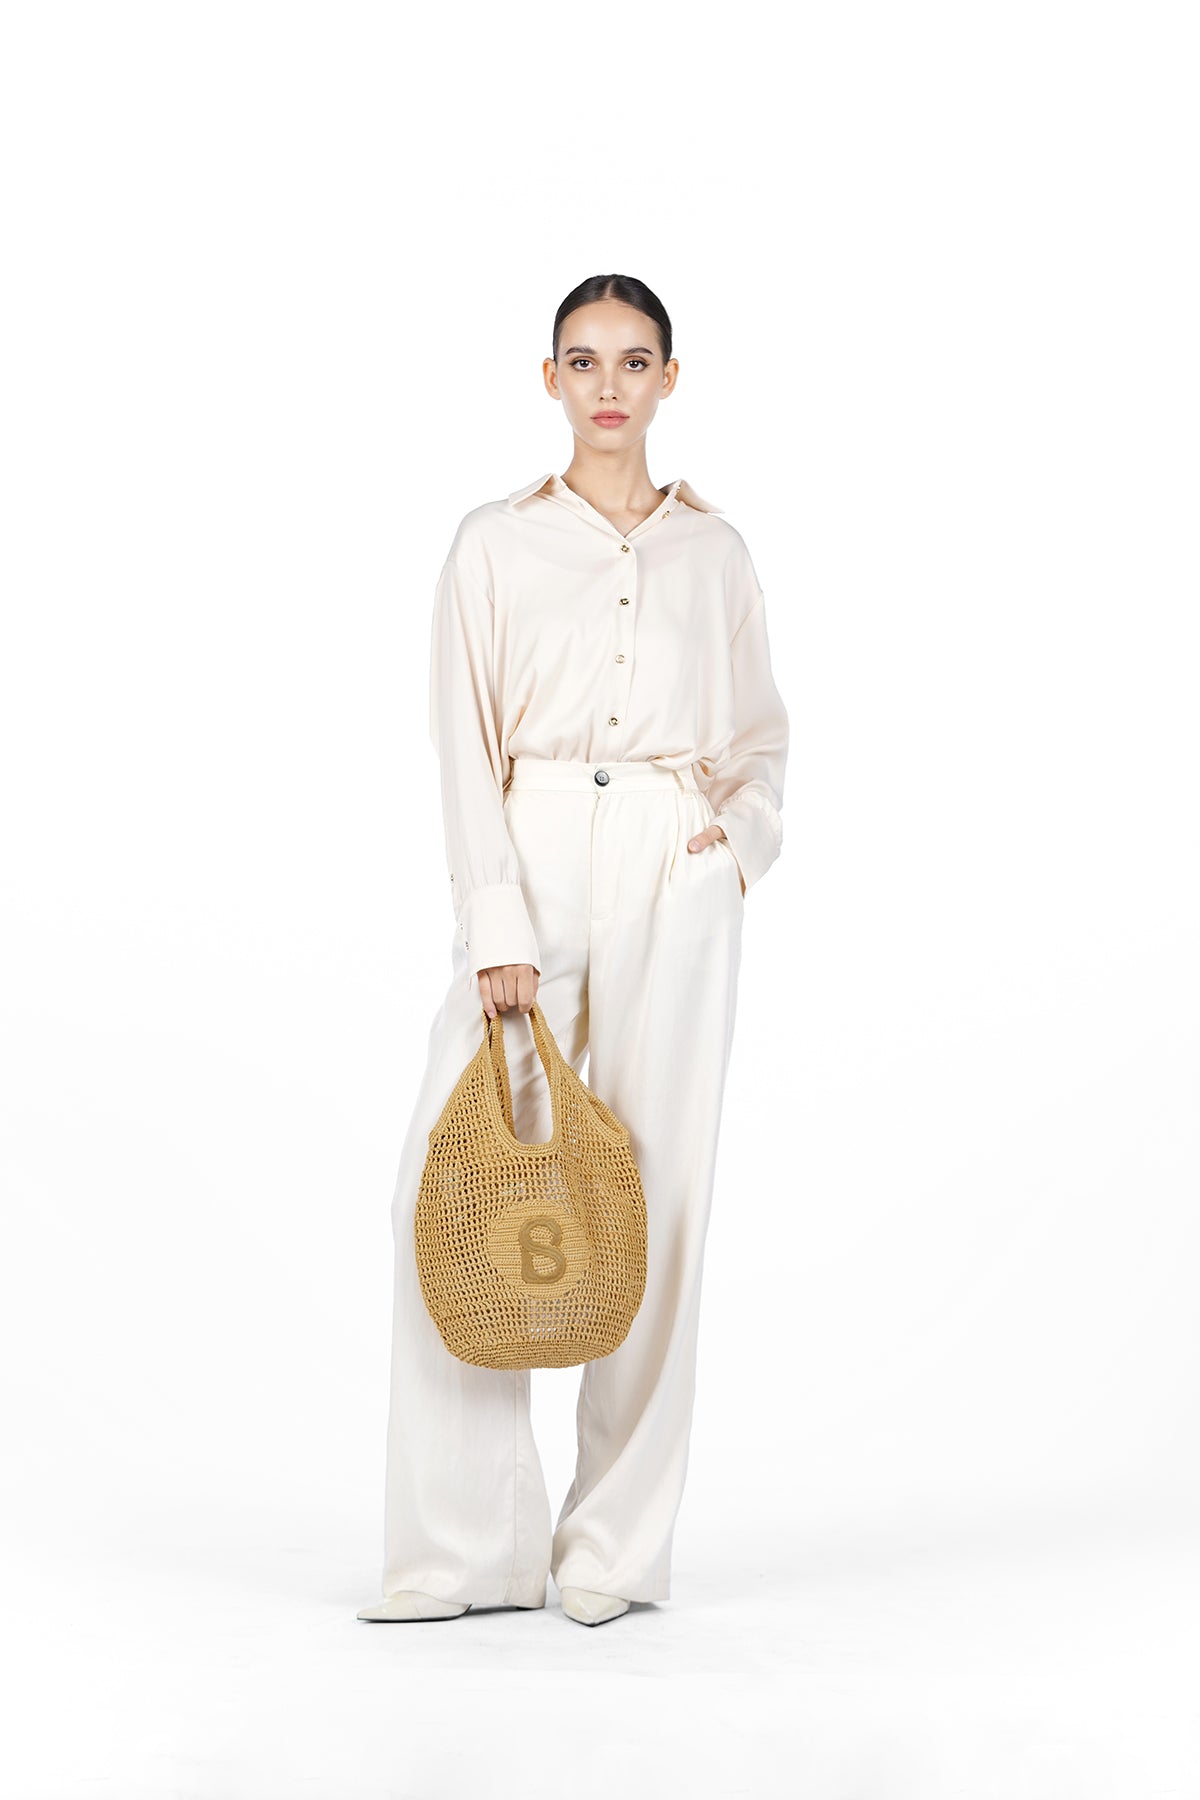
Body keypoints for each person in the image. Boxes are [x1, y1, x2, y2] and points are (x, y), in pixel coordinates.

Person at [358, 272, 789, 1628]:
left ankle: (611, 1549)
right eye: (585, 360)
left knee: (659, 1195)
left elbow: (761, 736)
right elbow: (464, 742)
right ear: (550, 379)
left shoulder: (716, 554)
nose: (610, 385)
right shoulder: (493, 544)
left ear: (669, 379)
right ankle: (464, 1549)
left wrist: (735, 847)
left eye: (635, 360)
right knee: (457, 1181)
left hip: (674, 852)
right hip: (534, 845)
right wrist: (497, 920)